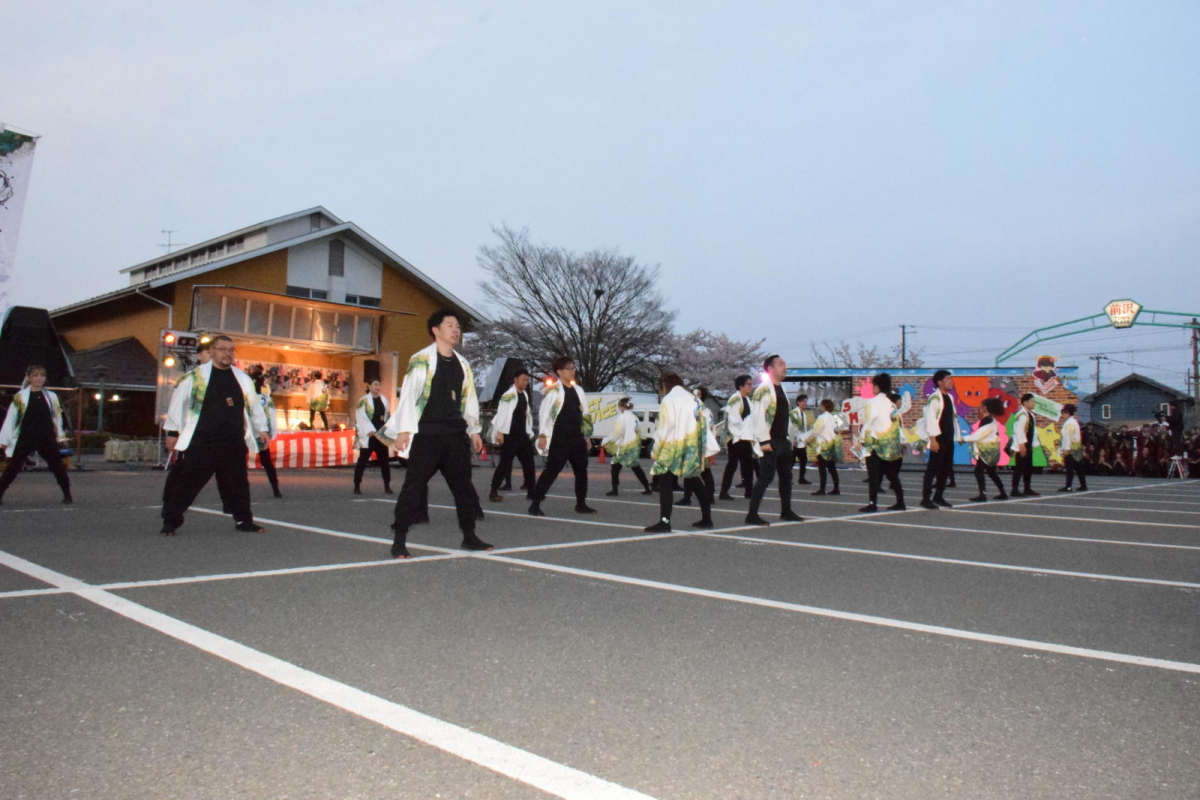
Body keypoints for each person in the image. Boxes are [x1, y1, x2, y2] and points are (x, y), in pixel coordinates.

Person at [382, 310, 492, 558]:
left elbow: (469, 398)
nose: (456, 330)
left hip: (454, 434)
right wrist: (404, 429)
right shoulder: (421, 359)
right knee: (414, 486)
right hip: (427, 434)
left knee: (463, 487)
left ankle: (469, 536)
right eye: (450, 325)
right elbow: (409, 395)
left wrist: (473, 430)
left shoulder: (463, 364)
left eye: (458, 327)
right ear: (436, 330)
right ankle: (399, 539)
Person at [160, 336, 269, 535]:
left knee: (238, 485)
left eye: (231, 350)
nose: (227, 353)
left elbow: (254, 406)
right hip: (202, 442)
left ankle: (244, 521)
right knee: (187, 484)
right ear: (212, 352)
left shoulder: (242, 379)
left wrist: (261, 428)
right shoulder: (194, 377)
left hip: (233, 442)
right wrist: (172, 432)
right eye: (222, 349)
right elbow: (178, 403)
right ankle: (171, 522)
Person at [643, 373, 714, 532]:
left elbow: (665, 427)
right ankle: (707, 518)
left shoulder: (669, 399)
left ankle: (665, 521)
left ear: (664, 385)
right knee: (695, 480)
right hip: (692, 445)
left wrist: (656, 449)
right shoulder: (693, 398)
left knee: (665, 482)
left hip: (673, 444)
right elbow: (705, 421)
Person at [529, 356, 596, 516]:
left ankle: (581, 503)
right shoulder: (554, 391)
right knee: (552, 470)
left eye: (573, 368)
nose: (572, 371)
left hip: (577, 437)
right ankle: (535, 503)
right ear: (559, 372)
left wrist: (587, 436)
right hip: (560, 437)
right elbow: (545, 414)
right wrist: (543, 435)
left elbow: (585, 414)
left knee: (581, 471)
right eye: (569, 368)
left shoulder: (578, 390)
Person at [0, 365, 73, 506]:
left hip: (46, 437)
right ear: (29, 378)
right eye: (35, 375)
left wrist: (61, 437)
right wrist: (4, 440)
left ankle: (67, 494)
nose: (39, 378)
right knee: (13, 467)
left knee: (57, 467)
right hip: (26, 437)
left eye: (42, 375)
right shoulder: (20, 397)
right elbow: (11, 419)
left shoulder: (52, 397)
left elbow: (57, 418)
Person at [745, 355, 803, 526]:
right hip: (770, 440)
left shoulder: (781, 389)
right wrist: (763, 441)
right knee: (765, 477)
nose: (785, 367)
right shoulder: (763, 389)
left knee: (786, 477)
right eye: (781, 364)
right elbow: (758, 417)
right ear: (770, 369)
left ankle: (786, 510)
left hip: (783, 440)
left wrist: (790, 438)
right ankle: (752, 514)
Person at [858, 373, 906, 513]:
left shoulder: (872, 403)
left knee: (874, 475)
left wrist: (861, 439)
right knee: (891, 474)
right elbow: (896, 423)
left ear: (877, 387)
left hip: (875, 442)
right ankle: (900, 501)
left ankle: (872, 503)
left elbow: (869, 422)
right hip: (890, 443)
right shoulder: (891, 404)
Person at [488, 369, 536, 502]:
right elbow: (502, 414)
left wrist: (529, 431)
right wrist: (500, 432)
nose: (525, 382)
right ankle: (493, 490)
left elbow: (527, 415)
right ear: (515, 380)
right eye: (523, 379)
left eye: (527, 380)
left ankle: (531, 490)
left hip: (522, 434)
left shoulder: (524, 395)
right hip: (510, 435)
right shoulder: (508, 395)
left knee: (529, 463)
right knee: (504, 464)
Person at [920, 369, 959, 510]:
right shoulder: (935, 399)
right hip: (939, 439)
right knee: (933, 469)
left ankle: (939, 496)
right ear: (939, 382)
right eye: (948, 379)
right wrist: (933, 439)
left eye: (951, 379)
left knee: (946, 468)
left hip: (949, 439)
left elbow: (952, 419)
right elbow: (930, 419)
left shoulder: (949, 398)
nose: (951, 382)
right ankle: (925, 498)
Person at [718, 374, 758, 500]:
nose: (751, 387)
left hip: (745, 437)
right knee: (733, 465)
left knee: (748, 464)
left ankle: (749, 491)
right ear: (741, 386)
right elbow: (734, 420)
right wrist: (743, 432)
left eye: (751, 384)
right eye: (748, 384)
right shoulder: (735, 399)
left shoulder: (747, 399)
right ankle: (724, 491)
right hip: (736, 437)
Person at [602, 397, 652, 496]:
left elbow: (618, 432)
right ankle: (647, 487)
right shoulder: (635, 417)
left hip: (624, 446)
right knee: (636, 467)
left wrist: (607, 440)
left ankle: (614, 489)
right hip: (633, 446)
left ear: (621, 406)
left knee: (615, 467)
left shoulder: (622, 417)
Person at [963, 397, 1008, 502]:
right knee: (991, 472)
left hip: (987, 451)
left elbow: (978, 435)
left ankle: (982, 495)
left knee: (978, 471)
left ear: (985, 408)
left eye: (981, 406)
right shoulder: (992, 420)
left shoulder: (987, 421)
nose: (979, 408)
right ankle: (1002, 492)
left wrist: (962, 438)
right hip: (992, 450)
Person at [353, 378, 392, 495]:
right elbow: (361, 417)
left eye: (379, 385)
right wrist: (369, 430)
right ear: (369, 386)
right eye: (375, 384)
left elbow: (387, 415)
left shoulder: (383, 400)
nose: (377, 387)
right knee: (363, 460)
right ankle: (357, 485)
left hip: (381, 434)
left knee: (385, 461)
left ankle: (387, 485)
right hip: (369, 434)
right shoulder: (363, 401)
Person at [679, 387, 718, 505]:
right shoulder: (708, 411)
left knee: (690, 471)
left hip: (695, 443)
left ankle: (687, 497)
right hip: (706, 444)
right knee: (705, 471)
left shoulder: (695, 409)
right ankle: (710, 495)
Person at [250, 366, 282, 498]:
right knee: (267, 461)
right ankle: (275, 488)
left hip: (247, 432)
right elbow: (272, 416)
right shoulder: (266, 398)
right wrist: (272, 432)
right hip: (262, 433)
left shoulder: (246, 398)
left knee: (237, 462)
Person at [807, 399, 843, 495]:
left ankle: (822, 489)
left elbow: (816, 430)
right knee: (832, 468)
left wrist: (808, 438)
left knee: (822, 468)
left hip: (822, 445)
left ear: (823, 406)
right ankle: (836, 488)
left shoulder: (821, 418)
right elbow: (837, 431)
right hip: (832, 444)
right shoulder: (833, 418)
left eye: (821, 405)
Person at [1009, 393, 1039, 497]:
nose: (1034, 403)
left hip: (1028, 445)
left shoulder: (1030, 415)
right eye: (1032, 401)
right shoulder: (1021, 415)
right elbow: (1019, 431)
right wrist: (1022, 445)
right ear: (1025, 402)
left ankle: (1027, 488)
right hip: (1022, 446)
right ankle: (1015, 489)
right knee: (1019, 468)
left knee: (1028, 468)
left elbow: (1033, 431)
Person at [1058, 403, 1089, 493]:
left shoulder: (1069, 423)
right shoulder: (1073, 422)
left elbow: (1067, 437)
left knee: (1070, 468)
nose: (1062, 415)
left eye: (1063, 413)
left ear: (1067, 413)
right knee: (1078, 468)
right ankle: (1083, 485)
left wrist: (1066, 449)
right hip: (1076, 447)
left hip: (1071, 448)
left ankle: (1068, 486)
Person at [790, 394, 814, 485]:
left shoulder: (804, 414)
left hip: (801, 440)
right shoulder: (793, 413)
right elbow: (791, 427)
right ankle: (788, 478)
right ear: (798, 402)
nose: (805, 403)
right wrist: (793, 438)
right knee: (791, 461)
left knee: (803, 460)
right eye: (803, 401)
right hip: (794, 441)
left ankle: (801, 478)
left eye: (806, 401)